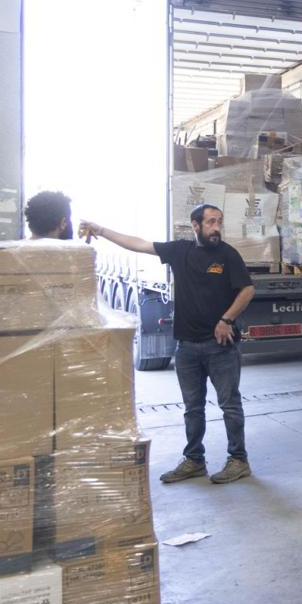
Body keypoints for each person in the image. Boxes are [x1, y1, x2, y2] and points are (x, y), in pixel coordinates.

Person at [79, 205, 256, 484]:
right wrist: (101, 230)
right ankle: (194, 460)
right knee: (192, 408)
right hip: (186, 347)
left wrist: (227, 319)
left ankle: (238, 459)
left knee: (230, 405)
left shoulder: (227, 255)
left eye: (219, 222)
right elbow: (138, 244)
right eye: (211, 222)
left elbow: (247, 289)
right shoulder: (179, 251)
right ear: (195, 225)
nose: (217, 228)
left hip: (220, 345)